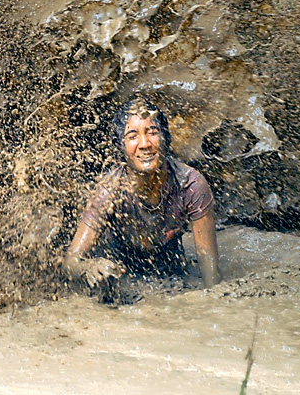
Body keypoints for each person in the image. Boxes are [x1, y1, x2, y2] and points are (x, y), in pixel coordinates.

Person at [64, 96, 222, 289]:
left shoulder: (190, 185)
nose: (145, 144)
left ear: (165, 138)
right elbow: (71, 261)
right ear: (121, 146)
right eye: (132, 136)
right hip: (121, 276)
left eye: (152, 132)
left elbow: (211, 276)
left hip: (171, 271)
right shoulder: (110, 191)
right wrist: (89, 266)